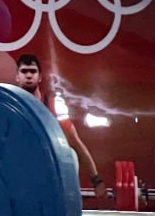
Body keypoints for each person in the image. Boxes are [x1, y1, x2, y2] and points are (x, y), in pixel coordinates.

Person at [14, 54, 108, 201]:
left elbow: (76, 144)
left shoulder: (53, 108)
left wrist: (96, 180)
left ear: (40, 77)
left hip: (49, 173)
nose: (29, 75)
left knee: (71, 154)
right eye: (24, 71)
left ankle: (64, 200)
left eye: (32, 71)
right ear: (17, 77)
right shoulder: (9, 108)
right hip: (20, 172)